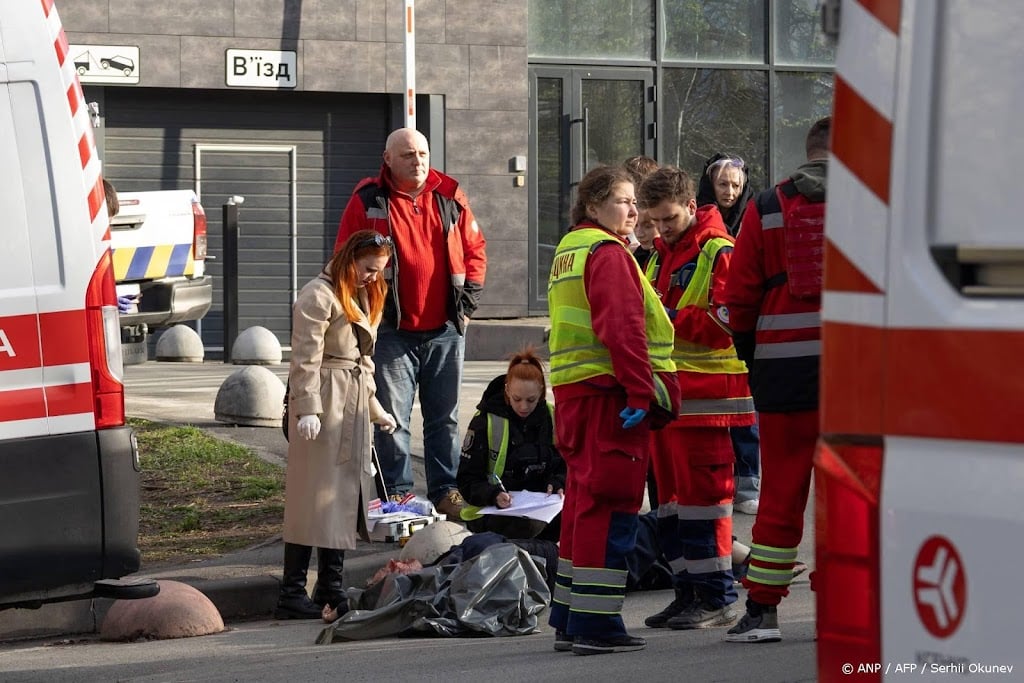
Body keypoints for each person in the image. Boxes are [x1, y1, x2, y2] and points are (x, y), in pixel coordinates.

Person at [546, 165, 680, 656]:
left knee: (583, 507)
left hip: (577, 398)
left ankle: (569, 618)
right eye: (624, 201)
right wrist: (642, 394)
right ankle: (597, 625)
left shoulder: (568, 250)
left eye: (633, 202)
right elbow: (623, 329)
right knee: (612, 507)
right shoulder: (607, 253)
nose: (633, 210)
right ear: (594, 206)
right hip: (610, 399)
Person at [334, 128, 488, 521]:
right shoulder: (368, 200)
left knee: (444, 419)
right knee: (392, 420)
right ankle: (399, 498)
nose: (418, 161)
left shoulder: (450, 196)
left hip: (445, 330)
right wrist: (361, 317)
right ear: (387, 159)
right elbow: (344, 260)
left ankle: (445, 492)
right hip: (391, 332)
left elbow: (475, 251)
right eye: (407, 155)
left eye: (422, 153)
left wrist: (465, 306)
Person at [717, 117, 830, 643]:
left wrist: (751, 355)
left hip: (784, 372)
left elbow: (740, 295)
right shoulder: (879, 203)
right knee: (854, 495)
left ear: (806, 153)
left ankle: (762, 611)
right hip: (859, 377)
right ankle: (846, 601)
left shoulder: (767, 206)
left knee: (782, 488)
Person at [637, 166, 755, 631]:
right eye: (654, 220)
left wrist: (666, 316)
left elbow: (725, 323)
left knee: (706, 507)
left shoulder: (718, 251)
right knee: (670, 507)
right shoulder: (658, 256)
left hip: (709, 404)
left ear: (691, 206)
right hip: (671, 403)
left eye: (668, 219)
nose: (661, 229)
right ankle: (687, 593)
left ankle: (718, 596)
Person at [277, 230, 399, 620]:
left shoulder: (359, 293)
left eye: (379, 271)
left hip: (349, 402)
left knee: (341, 500)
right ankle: (293, 590)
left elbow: (363, 361)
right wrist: (307, 408)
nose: (373, 277)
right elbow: (304, 358)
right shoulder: (318, 294)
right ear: (351, 259)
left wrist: (375, 407)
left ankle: (327, 586)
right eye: (368, 269)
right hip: (326, 403)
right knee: (311, 499)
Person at [697, 153, 761, 515]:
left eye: (736, 185)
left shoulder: (752, 215)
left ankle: (748, 482)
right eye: (723, 184)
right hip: (715, 330)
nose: (731, 192)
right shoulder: (703, 221)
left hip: (743, 325)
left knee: (747, 415)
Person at [456, 347, 565, 542]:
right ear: (507, 390)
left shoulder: (552, 417)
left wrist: (558, 482)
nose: (523, 407)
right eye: (517, 399)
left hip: (540, 507)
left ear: (541, 392)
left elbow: (567, 465)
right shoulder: (486, 420)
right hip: (491, 510)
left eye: (531, 400)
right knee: (528, 527)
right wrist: (494, 495)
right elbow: (467, 479)